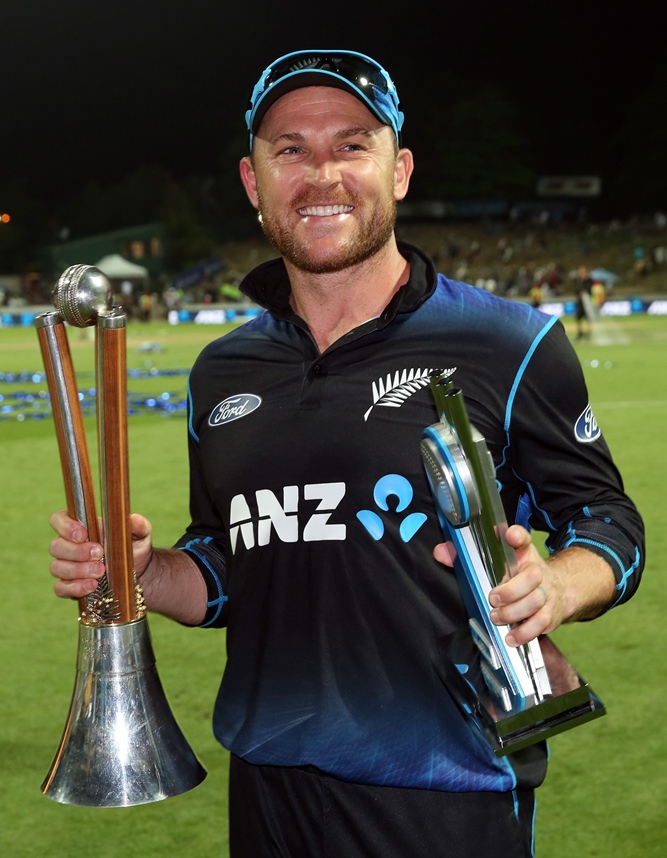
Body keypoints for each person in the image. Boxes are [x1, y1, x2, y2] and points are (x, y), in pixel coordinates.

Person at [49, 50, 644, 857]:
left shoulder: (508, 341)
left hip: (445, 792)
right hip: (268, 788)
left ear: (397, 170)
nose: (319, 172)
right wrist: (146, 574)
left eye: (350, 145)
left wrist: (559, 586)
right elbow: (228, 566)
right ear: (253, 181)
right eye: (289, 149)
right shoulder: (221, 371)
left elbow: (608, 522)